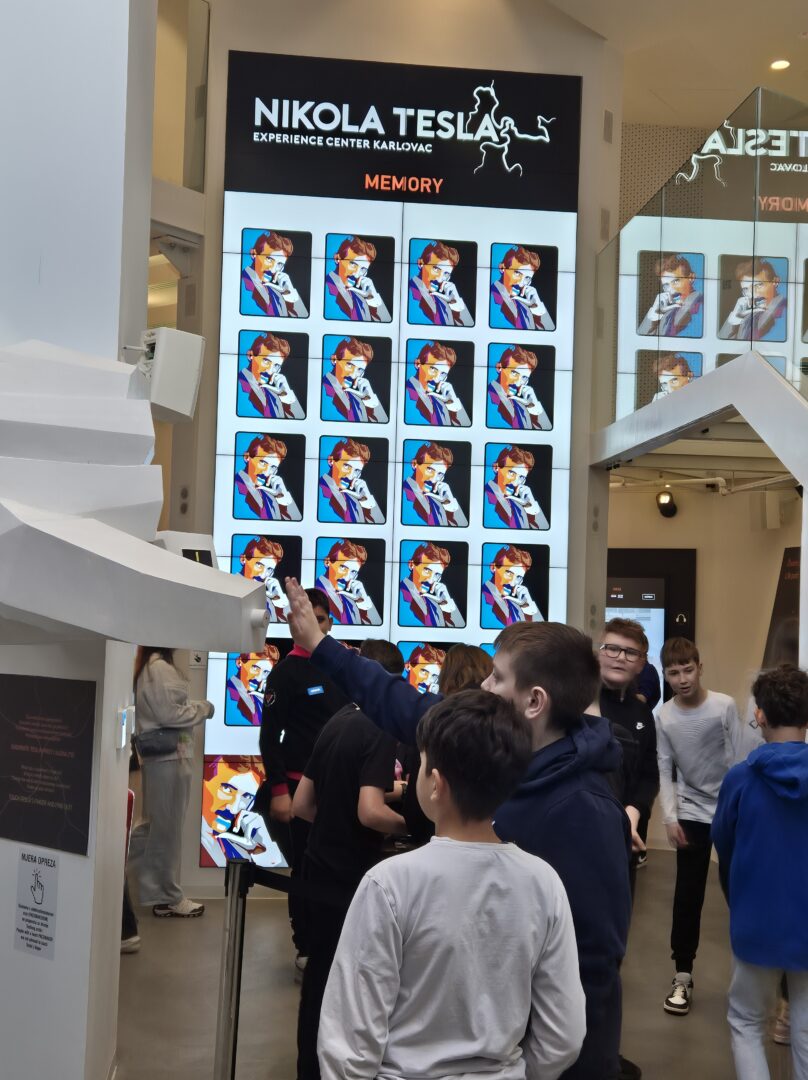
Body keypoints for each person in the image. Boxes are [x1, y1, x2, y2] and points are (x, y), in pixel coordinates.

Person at [284, 578, 633, 1080]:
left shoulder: (585, 811)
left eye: (497, 677)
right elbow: (404, 704)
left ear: (534, 701)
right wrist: (321, 646)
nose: (483, 687)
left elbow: (591, 973)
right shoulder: (488, 748)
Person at [318, 690, 586, 1080]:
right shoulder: (543, 881)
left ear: (435, 784)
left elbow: (348, 1042)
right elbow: (564, 1035)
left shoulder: (389, 883)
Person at [292, 639, 407, 1080]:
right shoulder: (381, 726)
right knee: (349, 987)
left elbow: (303, 804)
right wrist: (412, 827)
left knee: (318, 980)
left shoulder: (337, 720)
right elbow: (370, 812)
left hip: (317, 870)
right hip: (350, 878)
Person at [712, 665, 808, 1079]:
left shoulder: (740, 779)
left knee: (746, 1022)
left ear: (760, 716)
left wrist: (739, 899)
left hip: (756, 920)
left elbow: (724, 845)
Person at [258, 588, 352, 966]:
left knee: (338, 866)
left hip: (342, 788)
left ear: (329, 622)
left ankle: (339, 942)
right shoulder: (285, 673)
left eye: (320, 618)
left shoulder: (346, 664)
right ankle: (307, 945)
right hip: (299, 788)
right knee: (306, 868)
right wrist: (280, 791)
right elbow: (269, 737)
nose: (313, 626)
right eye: (304, 618)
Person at [655, 637, 742, 1016]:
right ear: (665, 675)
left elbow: (739, 760)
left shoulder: (724, 706)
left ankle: (747, 978)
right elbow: (664, 767)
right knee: (688, 896)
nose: (682, 679)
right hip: (691, 812)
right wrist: (670, 817)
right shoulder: (664, 716)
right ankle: (683, 975)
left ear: (700, 668)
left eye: (688, 669)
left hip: (730, 810)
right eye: (674, 672)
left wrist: (741, 810)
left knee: (740, 892)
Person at [129, 647, 212, 918]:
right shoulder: (159, 669)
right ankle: (167, 896)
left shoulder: (152, 668)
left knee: (157, 827)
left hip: (166, 760)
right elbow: (170, 714)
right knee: (167, 830)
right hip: (168, 760)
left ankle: (133, 878)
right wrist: (203, 708)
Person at [597, 618, 659, 867]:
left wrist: (633, 812)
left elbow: (649, 774)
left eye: (631, 652)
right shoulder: (578, 703)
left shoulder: (642, 713)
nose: (621, 657)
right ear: (599, 653)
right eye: (612, 648)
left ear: (641, 663)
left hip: (625, 835)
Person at [241, 230, 308, 317]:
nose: (273, 270)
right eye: (269, 259)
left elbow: (303, 318)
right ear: (253, 254)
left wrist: (290, 293)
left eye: (279, 264)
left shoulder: (277, 291)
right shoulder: (243, 284)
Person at [235, 434, 302, 521]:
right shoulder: (234, 488)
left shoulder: (270, 496)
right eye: (263, 463)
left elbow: (297, 521)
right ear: (247, 457)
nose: (266, 473)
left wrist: (283, 497)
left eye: (273, 467)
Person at [315, 539, 382, 626]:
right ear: (327, 562)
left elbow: (377, 628)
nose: (347, 578)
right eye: (343, 568)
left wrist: (363, 601)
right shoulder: (314, 593)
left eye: (353, 572)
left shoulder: (351, 601)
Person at [318, 437, 384, 525]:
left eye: (357, 471)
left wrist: (366, 500)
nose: (350, 476)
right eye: (346, 466)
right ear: (331, 461)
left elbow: (380, 525)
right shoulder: (319, 492)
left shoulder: (354, 498)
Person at [238, 332, 304, 420]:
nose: (269, 371)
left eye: (276, 366)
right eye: (266, 361)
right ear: (250, 355)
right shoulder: (239, 386)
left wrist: (287, 397)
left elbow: (301, 421)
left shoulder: (274, 392)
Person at [408, 239, 474, 326]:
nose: (439, 279)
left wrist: (456, 302)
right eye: (436, 269)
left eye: (446, 274)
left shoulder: (443, 301)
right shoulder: (409, 294)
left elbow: (469, 328)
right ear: (421, 264)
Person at [321, 337, 388, 423]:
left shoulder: (357, 397)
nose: (353, 375)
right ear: (334, 360)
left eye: (360, 370)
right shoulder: (323, 391)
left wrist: (371, 401)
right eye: (349, 365)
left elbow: (384, 425)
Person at [399, 541, 465, 629]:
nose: (430, 581)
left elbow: (461, 631)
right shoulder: (400, 596)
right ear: (411, 565)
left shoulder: (435, 602)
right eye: (427, 570)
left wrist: (447, 605)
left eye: (437, 575)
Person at [719, 258, 787, 342]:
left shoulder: (785, 313)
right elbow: (721, 344)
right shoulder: (748, 314)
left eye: (758, 285)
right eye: (746, 289)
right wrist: (734, 320)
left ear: (775, 282)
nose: (753, 294)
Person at [402, 441, 467, 527]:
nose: (433, 480)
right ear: (414, 464)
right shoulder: (403, 495)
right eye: (429, 470)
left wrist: (450, 505)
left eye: (440, 474)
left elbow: (464, 528)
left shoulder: (438, 502)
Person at [326, 235, 391, 322]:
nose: (356, 274)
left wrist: (373, 298)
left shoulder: (360, 296)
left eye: (363, 269)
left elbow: (386, 322)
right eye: (353, 264)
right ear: (337, 259)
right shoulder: (326, 289)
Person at [405, 341, 471, 427]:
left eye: (443, 374)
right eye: (433, 369)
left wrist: (452, 402)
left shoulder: (441, 399)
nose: (436, 379)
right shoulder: (407, 394)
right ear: (418, 364)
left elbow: (467, 428)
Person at [484, 445, 549, 530]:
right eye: (511, 473)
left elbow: (544, 529)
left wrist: (530, 505)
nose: (515, 483)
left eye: (521, 477)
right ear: (496, 468)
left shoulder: (517, 503)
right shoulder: (487, 498)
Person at [487, 344, 551, 430]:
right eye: (514, 373)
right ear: (499, 368)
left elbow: (547, 431)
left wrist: (534, 406)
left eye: (524, 378)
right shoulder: (489, 398)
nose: (517, 383)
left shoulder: (522, 404)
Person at [490, 245, 555, 331]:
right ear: (502, 268)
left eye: (527, 278)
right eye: (517, 273)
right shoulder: (491, 298)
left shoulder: (524, 306)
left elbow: (551, 333)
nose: (521, 284)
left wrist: (538, 309)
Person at [638, 254, 703, 337]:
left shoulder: (698, 306)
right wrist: (654, 315)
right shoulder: (669, 309)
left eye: (676, 281)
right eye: (666, 285)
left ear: (691, 278)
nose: (671, 291)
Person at [482, 544, 542, 626]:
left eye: (519, 577)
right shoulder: (484, 598)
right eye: (509, 573)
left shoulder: (516, 603)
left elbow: (542, 630)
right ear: (493, 568)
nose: (512, 583)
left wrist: (527, 605)